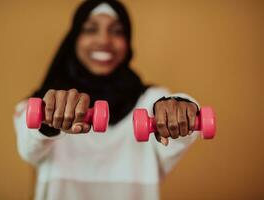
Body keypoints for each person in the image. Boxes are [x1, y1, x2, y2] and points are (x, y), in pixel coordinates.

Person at [14, 0, 199, 199]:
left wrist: (182, 108)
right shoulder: (41, 105)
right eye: (90, 29)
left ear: (128, 42)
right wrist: (48, 123)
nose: (104, 40)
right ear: (74, 38)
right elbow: (29, 149)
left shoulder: (151, 102)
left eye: (117, 31)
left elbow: (176, 129)